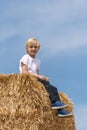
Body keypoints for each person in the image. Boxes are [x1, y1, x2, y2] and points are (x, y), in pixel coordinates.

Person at [19, 38, 73, 117]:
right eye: (31, 47)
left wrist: (43, 78)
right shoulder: (25, 57)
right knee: (46, 84)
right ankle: (54, 102)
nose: (33, 49)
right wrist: (39, 77)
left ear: (38, 49)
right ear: (27, 48)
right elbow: (24, 72)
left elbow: (37, 73)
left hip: (35, 79)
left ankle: (60, 110)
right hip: (27, 80)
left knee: (53, 88)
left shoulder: (38, 61)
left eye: (35, 47)